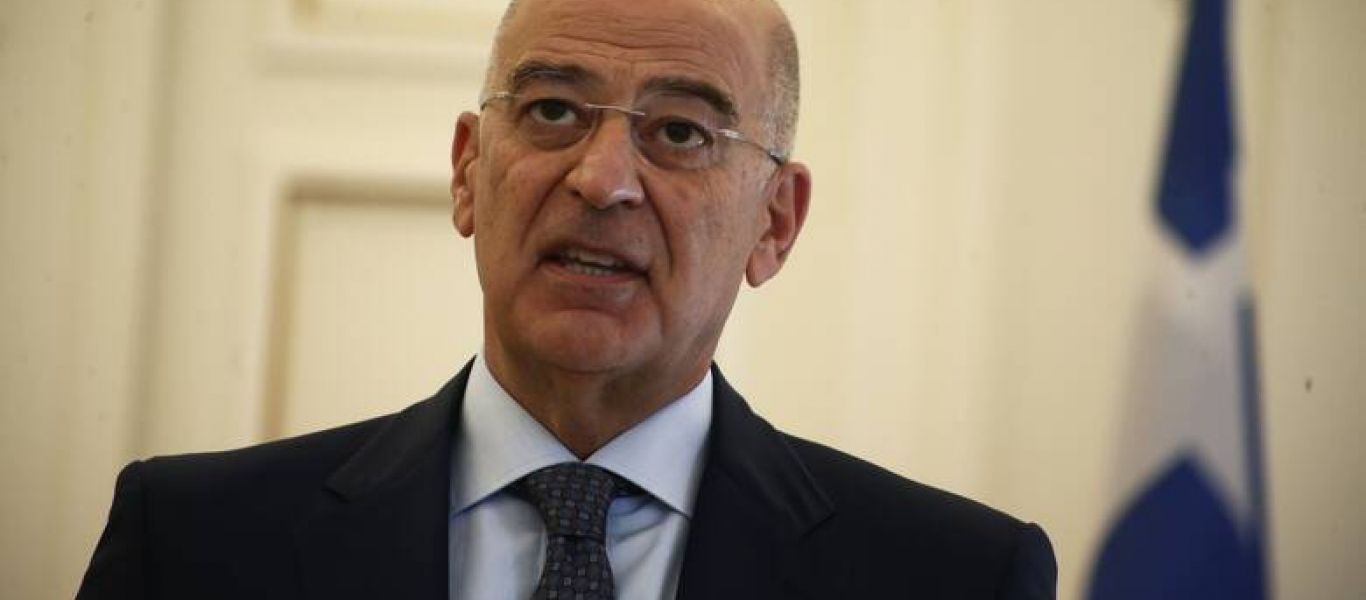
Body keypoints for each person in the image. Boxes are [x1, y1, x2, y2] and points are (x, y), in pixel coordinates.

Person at [77, 0, 1057, 598]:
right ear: (468, 171)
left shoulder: (956, 577)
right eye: (551, 111)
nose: (601, 179)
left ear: (774, 223)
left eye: (680, 131)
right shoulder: (193, 543)